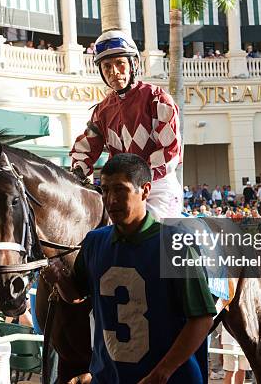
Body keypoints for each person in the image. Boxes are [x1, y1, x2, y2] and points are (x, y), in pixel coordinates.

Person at [42, 154, 217, 383]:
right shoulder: (94, 242)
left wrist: (161, 373)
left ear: (145, 191)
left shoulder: (176, 244)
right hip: (109, 376)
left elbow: (203, 319)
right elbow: (76, 296)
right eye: (104, 190)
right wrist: (59, 279)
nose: (110, 199)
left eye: (120, 190)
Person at [70, 30, 183, 220]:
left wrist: (134, 181)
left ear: (134, 64)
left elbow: (169, 152)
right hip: (121, 192)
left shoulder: (158, 99)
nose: (113, 71)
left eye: (120, 64)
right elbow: (84, 150)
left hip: (158, 189)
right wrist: (78, 175)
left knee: (147, 237)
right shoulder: (102, 111)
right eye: (107, 66)